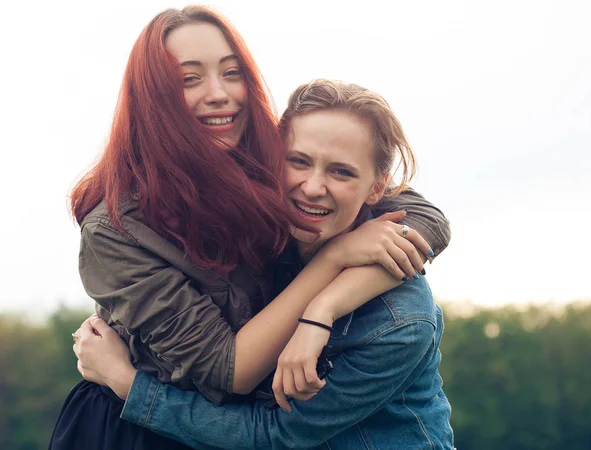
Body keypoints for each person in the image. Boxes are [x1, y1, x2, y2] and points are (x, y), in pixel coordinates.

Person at [50, 5, 451, 450]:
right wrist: (335, 261)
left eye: (231, 72)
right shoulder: (117, 226)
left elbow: (425, 216)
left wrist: (329, 303)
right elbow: (229, 370)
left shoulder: (262, 164)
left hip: (226, 427)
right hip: (139, 430)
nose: (219, 93)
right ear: (154, 96)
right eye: (189, 78)